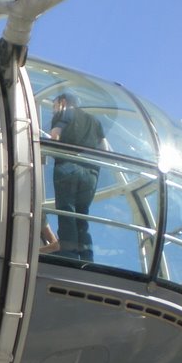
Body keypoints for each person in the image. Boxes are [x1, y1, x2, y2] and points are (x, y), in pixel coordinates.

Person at [49, 92, 107, 261]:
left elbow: (55, 135)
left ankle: (69, 255)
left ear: (63, 102)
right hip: (91, 173)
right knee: (82, 215)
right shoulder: (95, 120)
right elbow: (105, 149)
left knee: (67, 211)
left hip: (68, 167)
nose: (53, 111)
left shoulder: (64, 112)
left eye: (54, 107)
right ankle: (86, 256)